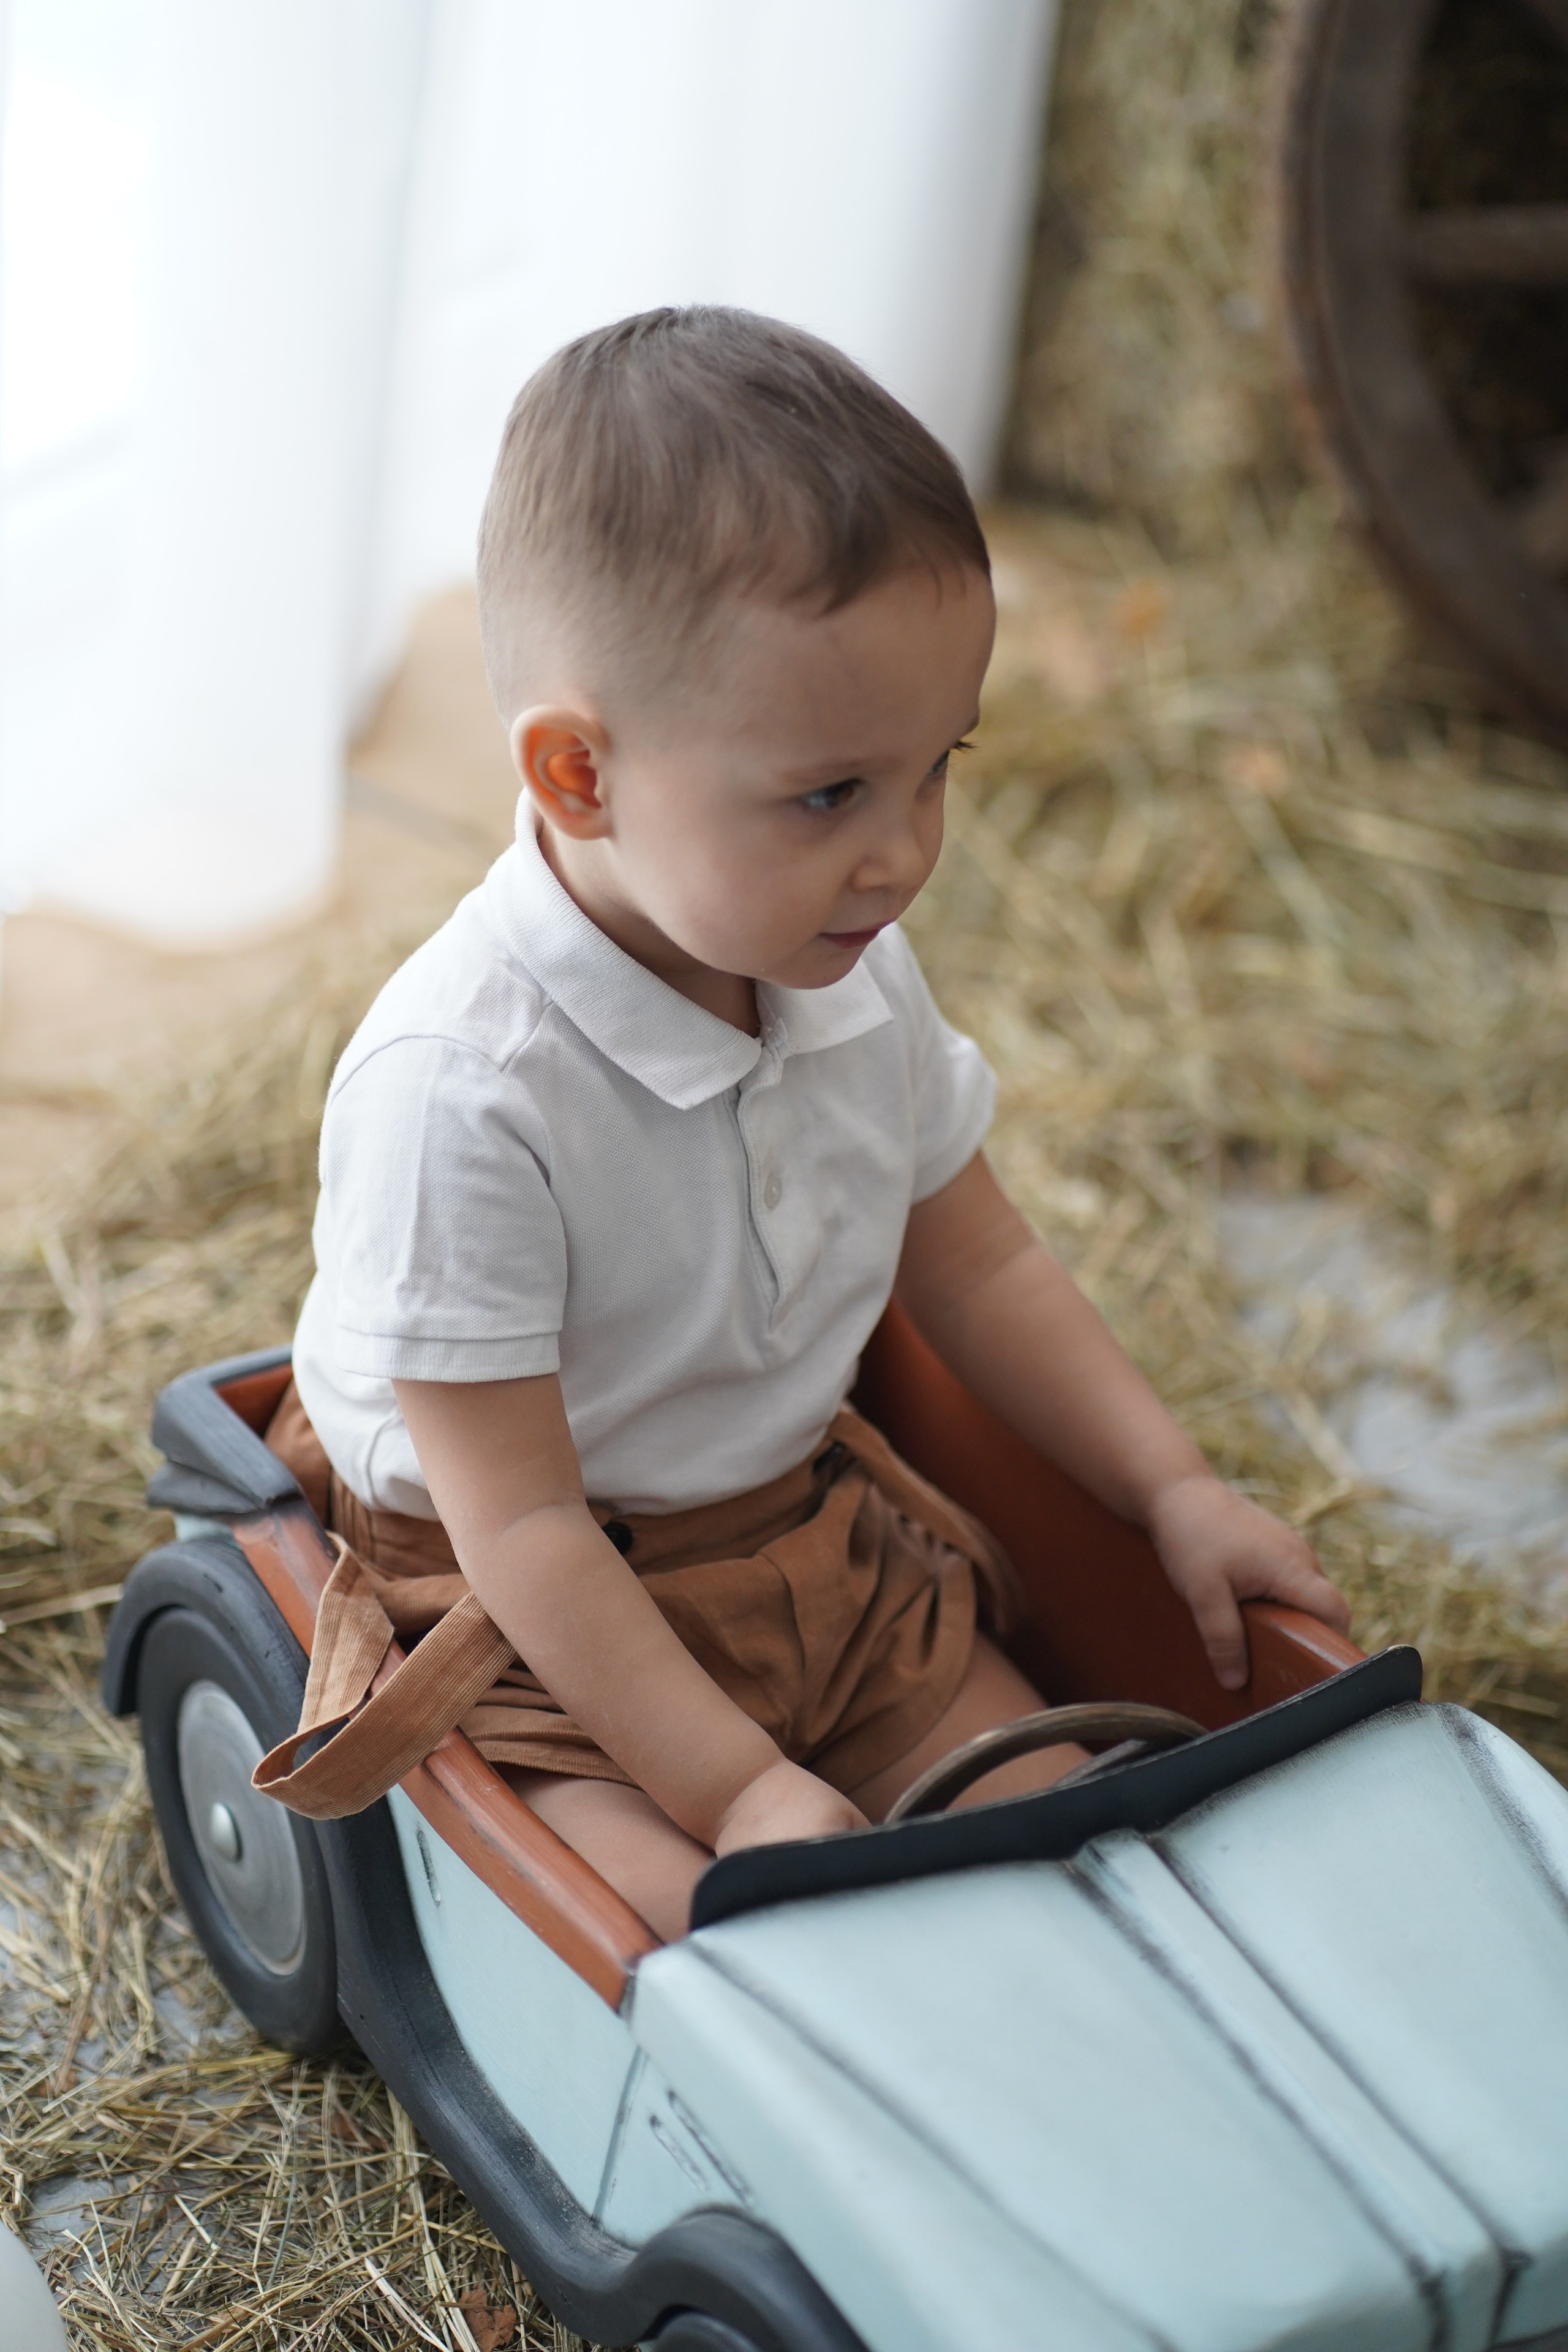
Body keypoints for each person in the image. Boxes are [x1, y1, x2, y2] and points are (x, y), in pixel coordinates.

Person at [275, 307, 1348, 1940]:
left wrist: (1175, 1488)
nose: (905, 852)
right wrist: (735, 1787)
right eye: (833, 793)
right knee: (696, 1939)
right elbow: (526, 1528)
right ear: (579, 775)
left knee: (1054, 1838)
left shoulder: (842, 967)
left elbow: (978, 1263)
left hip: (811, 1546)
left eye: (940, 771)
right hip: (537, 1614)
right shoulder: (462, 1091)